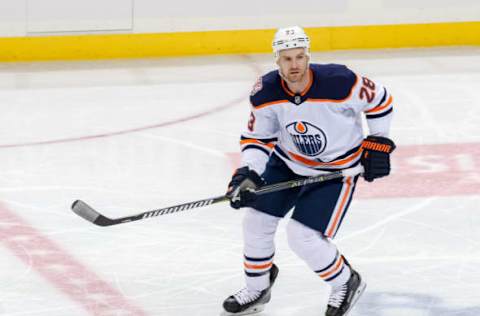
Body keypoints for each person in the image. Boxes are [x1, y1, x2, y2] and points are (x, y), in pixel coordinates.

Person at [222, 26, 395, 316]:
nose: (294, 65)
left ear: (308, 56)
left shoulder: (340, 82)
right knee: (255, 222)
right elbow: (257, 138)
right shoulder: (266, 92)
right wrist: (248, 173)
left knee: (302, 236)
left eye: (299, 57)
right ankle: (257, 289)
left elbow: (381, 101)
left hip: (337, 172)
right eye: (287, 59)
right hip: (287, 163)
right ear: (277, 60)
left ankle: (346, 282)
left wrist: (379, 141)